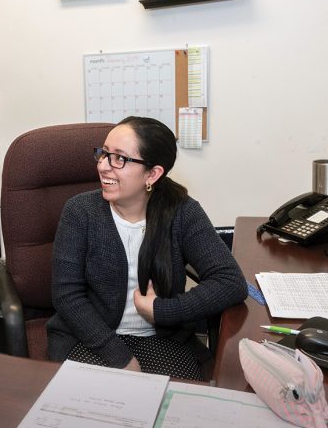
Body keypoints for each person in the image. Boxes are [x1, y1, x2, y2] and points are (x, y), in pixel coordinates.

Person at [46, 116, 248, 380]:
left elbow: (231, 282)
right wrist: (119, 356)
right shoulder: (80, 212)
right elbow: (66, 295)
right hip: (91, 337)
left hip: (164, 341)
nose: (103, 166)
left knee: (173, 411)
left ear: (152, 174)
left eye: (119, 158)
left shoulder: (183, 212)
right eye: (103, 153)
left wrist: (161, 311)